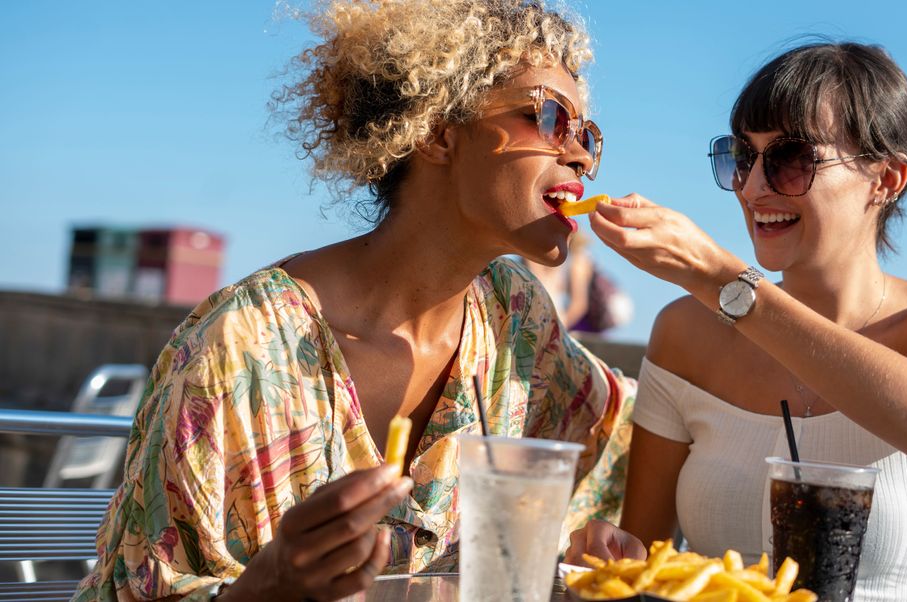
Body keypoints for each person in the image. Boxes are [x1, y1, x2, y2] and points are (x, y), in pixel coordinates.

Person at [74, 1, 635, 600]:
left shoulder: (513, 318)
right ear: (438, 134)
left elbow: (630, 430)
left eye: (586, 135)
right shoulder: (244, 347)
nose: (579, 156)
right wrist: (271, 585)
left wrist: (714, 284)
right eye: (548, 117)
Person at [566, 42, 907, 602]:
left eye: (792, 158)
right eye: (742, 157)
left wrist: (721, 280)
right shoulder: (684, 334)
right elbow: (645, 556)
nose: (752, 188)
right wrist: (608, 550)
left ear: (886, 179)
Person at [522, 229, 595, 329]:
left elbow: (579, 303)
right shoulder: (533, 252)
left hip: (558, 321)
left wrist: (559, 328)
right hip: (544, 321)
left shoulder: (576, 261)